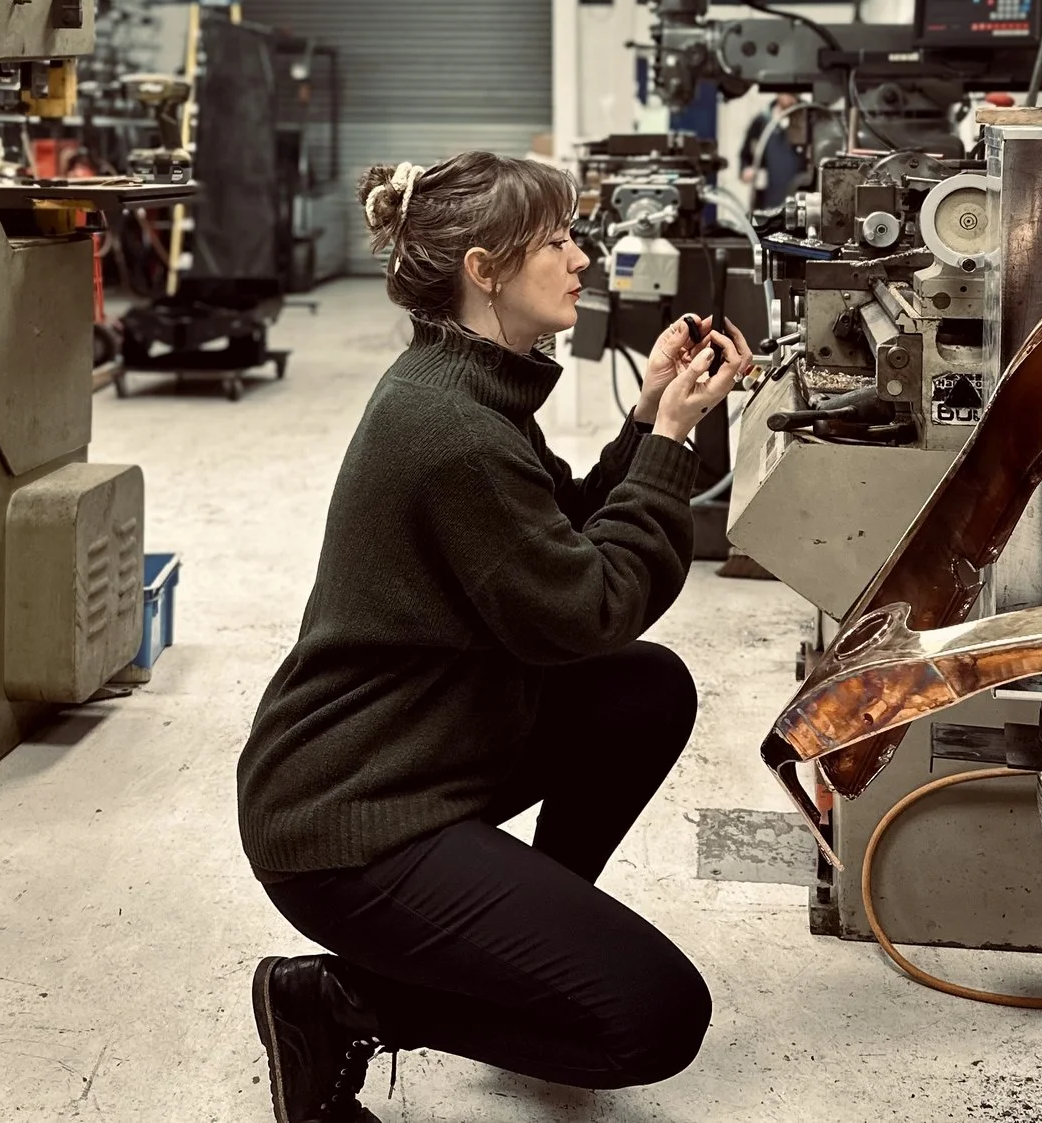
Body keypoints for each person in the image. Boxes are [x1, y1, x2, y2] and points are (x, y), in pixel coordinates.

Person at [237, 151, 747, 1123]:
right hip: (348, 819)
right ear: (483, 269)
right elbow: (589, 607)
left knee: (644, 689)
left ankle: (515, 955)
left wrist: (645, 421)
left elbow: (557, 548)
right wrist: (675, 449)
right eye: (556, 241)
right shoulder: (452, 429)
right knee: (651, 1020)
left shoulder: (467, 389)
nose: (581, 259)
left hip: (420, 751)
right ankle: (335, 1003)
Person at [737, 91, 806, 212]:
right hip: (767, 202)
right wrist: (746, 170)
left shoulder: (809, 118)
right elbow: (746, 155)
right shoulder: (762, 121)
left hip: (800, 202)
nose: (788, 97)